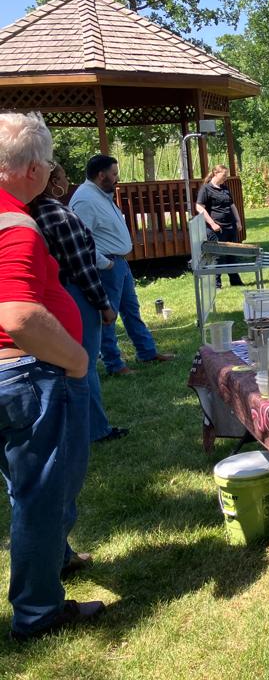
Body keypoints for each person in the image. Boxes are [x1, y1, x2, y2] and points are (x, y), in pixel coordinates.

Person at [0, 112, 101, 640]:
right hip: (26, 375)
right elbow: (17, 314)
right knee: (41, 492)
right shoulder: (15, 224)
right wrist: (77, 359)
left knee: (30, 486)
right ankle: (39, 612)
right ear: (34, 168)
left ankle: (53, 559)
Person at [31, 162, 124, 443]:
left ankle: (71, 426)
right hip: (74, 294)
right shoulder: (57, 215)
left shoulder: (34, 213)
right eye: (61, 176)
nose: (67, 180)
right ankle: (95, 428)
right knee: (83, 361)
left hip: (54, 293)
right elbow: (82, 267)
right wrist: (103, 304)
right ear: (51, 182)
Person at [70, 154, 175, 376]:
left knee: (131, 310)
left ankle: (147, 352)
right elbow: (80, 240)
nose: (117, 178)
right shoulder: (85, 200)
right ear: (101, 175)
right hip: (107, 266)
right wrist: (104, 263)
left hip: (119, 264)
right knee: (108, 317)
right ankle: (114, 365)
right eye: (114, 174)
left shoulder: (101, 194)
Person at [195, 163, 244, 288]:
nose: (225, 178)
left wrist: (238, 221)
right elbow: (199, 206)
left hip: (230, 226)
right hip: (216, 228)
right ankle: (216, 284)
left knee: (232, 253)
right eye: (224, 175)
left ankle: (235, 281)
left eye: (226, 175)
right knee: (218, 256)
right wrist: (212, 223)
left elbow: (232, 205)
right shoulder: (206, 189)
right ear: (216, 173)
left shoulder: (225, 188)